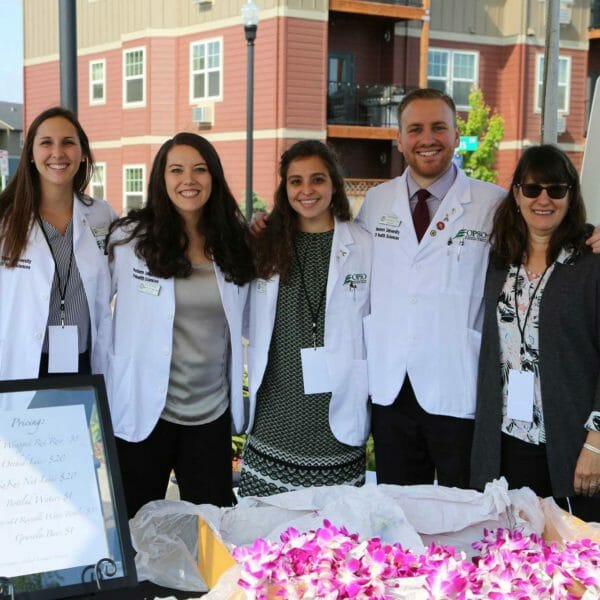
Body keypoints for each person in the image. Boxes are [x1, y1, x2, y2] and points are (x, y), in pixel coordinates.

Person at [355, 88, 505, 488]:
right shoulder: (375, 202)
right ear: (400, 139)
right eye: (415, 129)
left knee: (464, 510)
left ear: (457, 135)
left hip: (458, 381)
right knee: (399, 514)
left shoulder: (494, 204)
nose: (428, 139)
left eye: (439, 127)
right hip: (391, 388)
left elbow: (542, 246)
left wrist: (586, 238)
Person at [106, 132, 254, 517]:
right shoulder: (129, 239)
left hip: (209, 413)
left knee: (212, 529)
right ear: (162, 178)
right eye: (176, 170)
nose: (188, 180)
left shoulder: (235, 243)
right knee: (136, 526)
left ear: (214, 177)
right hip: (145, 410)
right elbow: (95, 308)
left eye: (199, 170)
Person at [471, 145, 600, 521]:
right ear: (515, 195)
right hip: (508, 441)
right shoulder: (499, 262)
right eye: (532, 189)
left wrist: (596, 443)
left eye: (556, 189)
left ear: (571, 196)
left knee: (573, 561)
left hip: (573, 445)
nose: (543, 199)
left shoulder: (590, 263)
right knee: (514, 558)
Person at [237, 140, 372, 497]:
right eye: (296, 181)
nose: (306, 190)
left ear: (333, 185)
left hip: (337, 413)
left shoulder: (364, 245)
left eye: (317, 179)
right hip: (275, 412)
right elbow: (245, 314)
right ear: (285, 189)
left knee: (333, 538)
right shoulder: (265, 243)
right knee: (264, 534)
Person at [0, 106, 114, 381]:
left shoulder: (101, 215)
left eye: (68, 143)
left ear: (83, 152)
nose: (58, 153)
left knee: (79, 426)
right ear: (30, 154)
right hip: (21, 363)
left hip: (83, 363)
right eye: (46, 143)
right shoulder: (5, 220)